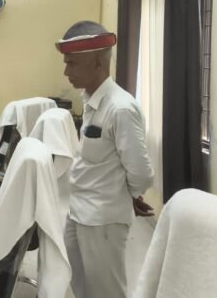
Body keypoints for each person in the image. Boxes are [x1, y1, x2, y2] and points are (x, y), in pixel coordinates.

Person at [57, 20, 154, 298]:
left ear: (98, 63)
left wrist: (126, 195)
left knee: (106, 292)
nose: (66, 72)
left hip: (103, 219)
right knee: (80, 285)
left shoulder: (120, 108)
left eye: (72, 64)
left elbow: (142, 174)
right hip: (79, 211)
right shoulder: (90, 100)